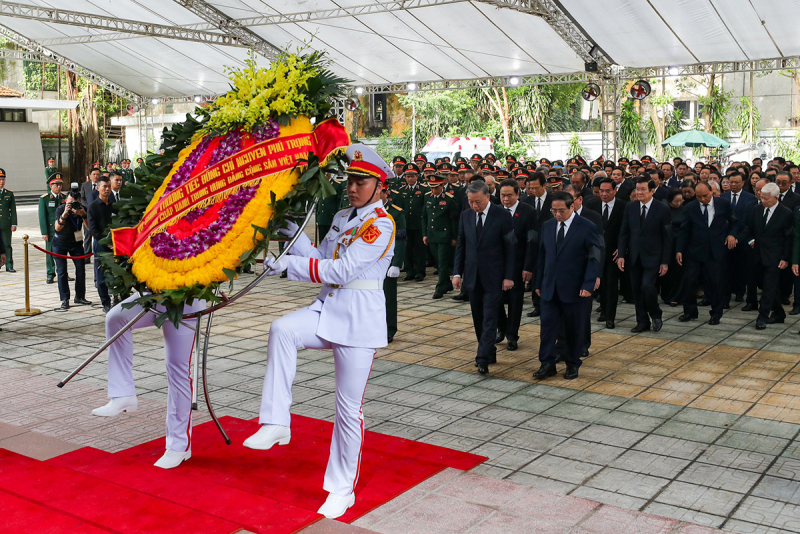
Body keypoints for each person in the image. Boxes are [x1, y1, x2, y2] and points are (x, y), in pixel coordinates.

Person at [244, 149, 396, 520]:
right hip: (327, 310)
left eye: (362, 181)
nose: (353, 187)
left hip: (358, 323)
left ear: (380, 187)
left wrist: (287, 267)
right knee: (281, 329)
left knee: (347, 410)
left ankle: (341, 489)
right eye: (351, 180)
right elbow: (320, 253)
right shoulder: (344, 216)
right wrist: (288, 229)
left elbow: (341, 270)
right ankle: (276, 421)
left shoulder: (382, 224)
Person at [91, 294, 205, 469]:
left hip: (185, 302)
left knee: (178, 369)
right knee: (116, 318)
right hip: (152, 295)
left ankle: (178, 445)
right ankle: (123, 394)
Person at [533, 192, 602, 381]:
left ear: (572, 207)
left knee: (574, 329)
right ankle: (547, 363)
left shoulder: (587, 227)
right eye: (553, 210)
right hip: (549, 287)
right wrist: (538, 283)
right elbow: (541, 256)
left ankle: (572, 363)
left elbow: (595, 257)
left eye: (561, 210)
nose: (557, 214)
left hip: (575, 288)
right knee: (547, 329)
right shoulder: (547, 226)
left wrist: (589, 283)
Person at [453, 181, 515, 375]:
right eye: (470, 202)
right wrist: (457, 273)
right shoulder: (466, 215)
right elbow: (461, 246)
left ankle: (482, 358)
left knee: (489, 318)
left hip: (494, 276)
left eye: (477, 201)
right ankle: (489, 351)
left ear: (488, 197)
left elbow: (511, 248)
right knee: (478, 317)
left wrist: (508, 276)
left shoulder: (502, 215)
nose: (474, 205)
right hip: (472, 276)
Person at [676, 182, 737, 325]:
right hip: (695, 251)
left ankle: (716, 313)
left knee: (716, 283)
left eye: (705, 196)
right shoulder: (690, 207)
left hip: (716, 251)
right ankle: (690, 312)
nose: (702, 199)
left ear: (712, 192)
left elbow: (734, 222)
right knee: (689, 282)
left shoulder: (723, 204)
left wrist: (731, 235)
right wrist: (679, 250)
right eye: (699, 197)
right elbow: (684, 230)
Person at [617, 177, 672, 333]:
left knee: (647, 286)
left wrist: (665, 261)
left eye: (643, 189)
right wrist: (621, 255)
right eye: (637, 189)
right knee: (637, 291)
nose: (639, 192)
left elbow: (667, 237)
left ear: (652, 191)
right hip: (634, 256)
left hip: (654, 257)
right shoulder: (630, 207)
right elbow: (624, 233)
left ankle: (655, 314)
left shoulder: (662, 209)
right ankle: (642, 321)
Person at [739, 183, 793, 329]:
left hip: (775, 257)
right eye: (761, 197)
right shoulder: (757, 209)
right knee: (766, 286)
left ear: (776, 198)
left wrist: (785, 258)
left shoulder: (786, 213)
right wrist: (745, 239)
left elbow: (788, 238)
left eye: (766, 199)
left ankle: (762, 317)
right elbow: (749, 228)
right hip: (757, 255)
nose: (763, 201)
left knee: (769, 288)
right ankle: (779, 313)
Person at [496, 178, 536, 350]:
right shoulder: (495, 211)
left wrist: (528, 266)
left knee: (515, 301)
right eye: (502, 196)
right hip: (497, 264)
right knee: (495, 299)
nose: (505, 199)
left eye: (509, 196)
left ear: (518, 194)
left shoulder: (528, 211)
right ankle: (502, 328)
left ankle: (512, 335)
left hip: (519, 264)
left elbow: (532, 241)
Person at [590, 178, 626, 329]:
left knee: (611, 285)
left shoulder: (624, 206)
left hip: (613, 253)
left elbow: (626, 230)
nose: (603, 194)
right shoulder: (592, 205)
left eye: (607, 191)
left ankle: (610, 317)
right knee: (600, 284)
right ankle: (603, 310)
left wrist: (622, 248)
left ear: (615, 190)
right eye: (601, 191)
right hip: (596, 252)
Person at [52, 190, 92, 310]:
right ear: (66, 201)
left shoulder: (82, 209)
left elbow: (89, 228)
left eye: (75, 202)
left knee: (81, 269)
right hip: (60, 243)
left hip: (76, 243)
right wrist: (65, 214)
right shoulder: (60, 209)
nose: (72, 205)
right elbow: (57, 228)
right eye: (70, 202)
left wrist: (83, 214)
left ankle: (80, 296)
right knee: (62, 271)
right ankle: (65, 299)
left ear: (79, 201)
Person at [423, 173, 459, 299]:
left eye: (436, 187)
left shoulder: (449, 199)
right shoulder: (427, 197)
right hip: (432, 235)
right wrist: (424, 234)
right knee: (439, 262)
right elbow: (425, 217)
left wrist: (454, 237)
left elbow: (454, 220)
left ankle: (440, 288)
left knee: (443, 263)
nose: (433, 190)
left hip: (444, 235)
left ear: (442, 185)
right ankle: (447, 284)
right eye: (431, 187)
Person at [524, 171, 552, 317]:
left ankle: (547, 302)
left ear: (544, 185)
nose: (533, 191)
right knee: (535, 274)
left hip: (550, 243)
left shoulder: (553, 200)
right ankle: (537, 305)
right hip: (533, 243)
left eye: (536, 188)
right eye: (531, 188)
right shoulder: (527, 202)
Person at [383, 183, 405, 343]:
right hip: (369, 262)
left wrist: (396, 263)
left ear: (387, 193)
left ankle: (389, 329)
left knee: (388, 297)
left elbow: (401, 240)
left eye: (381, 192)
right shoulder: (366, 210)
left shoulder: (396, 213)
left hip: (388, 261)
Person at [88, 175, 114, 312]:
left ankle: (118, 298)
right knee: (102, 277)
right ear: (98, 188)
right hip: (100, 245)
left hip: (115, 245)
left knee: (116, 273)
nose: (107, 189)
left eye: (109, 186)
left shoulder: (113, 205)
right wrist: (106, 243)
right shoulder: (92, 207)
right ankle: (106, 303)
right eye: (104, 186)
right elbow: (93, 229)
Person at [400, 163, 427, 282]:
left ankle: (420, 271)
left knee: (419, 249)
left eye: (412, 176)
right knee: (407, 248)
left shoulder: (423, 189)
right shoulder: (401, 190)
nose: (410, 179)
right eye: (408, 176)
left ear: (417, 176)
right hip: (406, 224)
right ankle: (409, 271)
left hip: (418, 224)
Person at [39, 174, 67, 284]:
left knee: (63, 252)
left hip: (63, 230)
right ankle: (50, 274)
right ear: (51, 186)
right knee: (50, 253)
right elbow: (42, 217)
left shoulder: (64, 197)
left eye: (60, 185)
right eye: (56, 185)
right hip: (51, 231)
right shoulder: (45, 199)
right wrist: (44, 232)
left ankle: (64, 273)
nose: (59, 187)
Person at [81, 168, 101, 257]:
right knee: (87, 235)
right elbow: (82, 198)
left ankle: (99, 254)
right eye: (94, 174)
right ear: (90, 176)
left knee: (98, 234)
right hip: (87, 214)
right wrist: (87, 206)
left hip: (99, 214)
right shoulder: (85, 185)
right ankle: (87, 255)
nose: (96, 176)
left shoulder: (102, 186)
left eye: (97, 174)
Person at [0, 169, 17, 272]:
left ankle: (9, 265)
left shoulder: (9, 194)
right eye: (0, 179)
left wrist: (14, 223)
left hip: (6, 223)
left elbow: (13, 210)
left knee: (7, 244)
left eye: (3, 179)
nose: (1, 181)